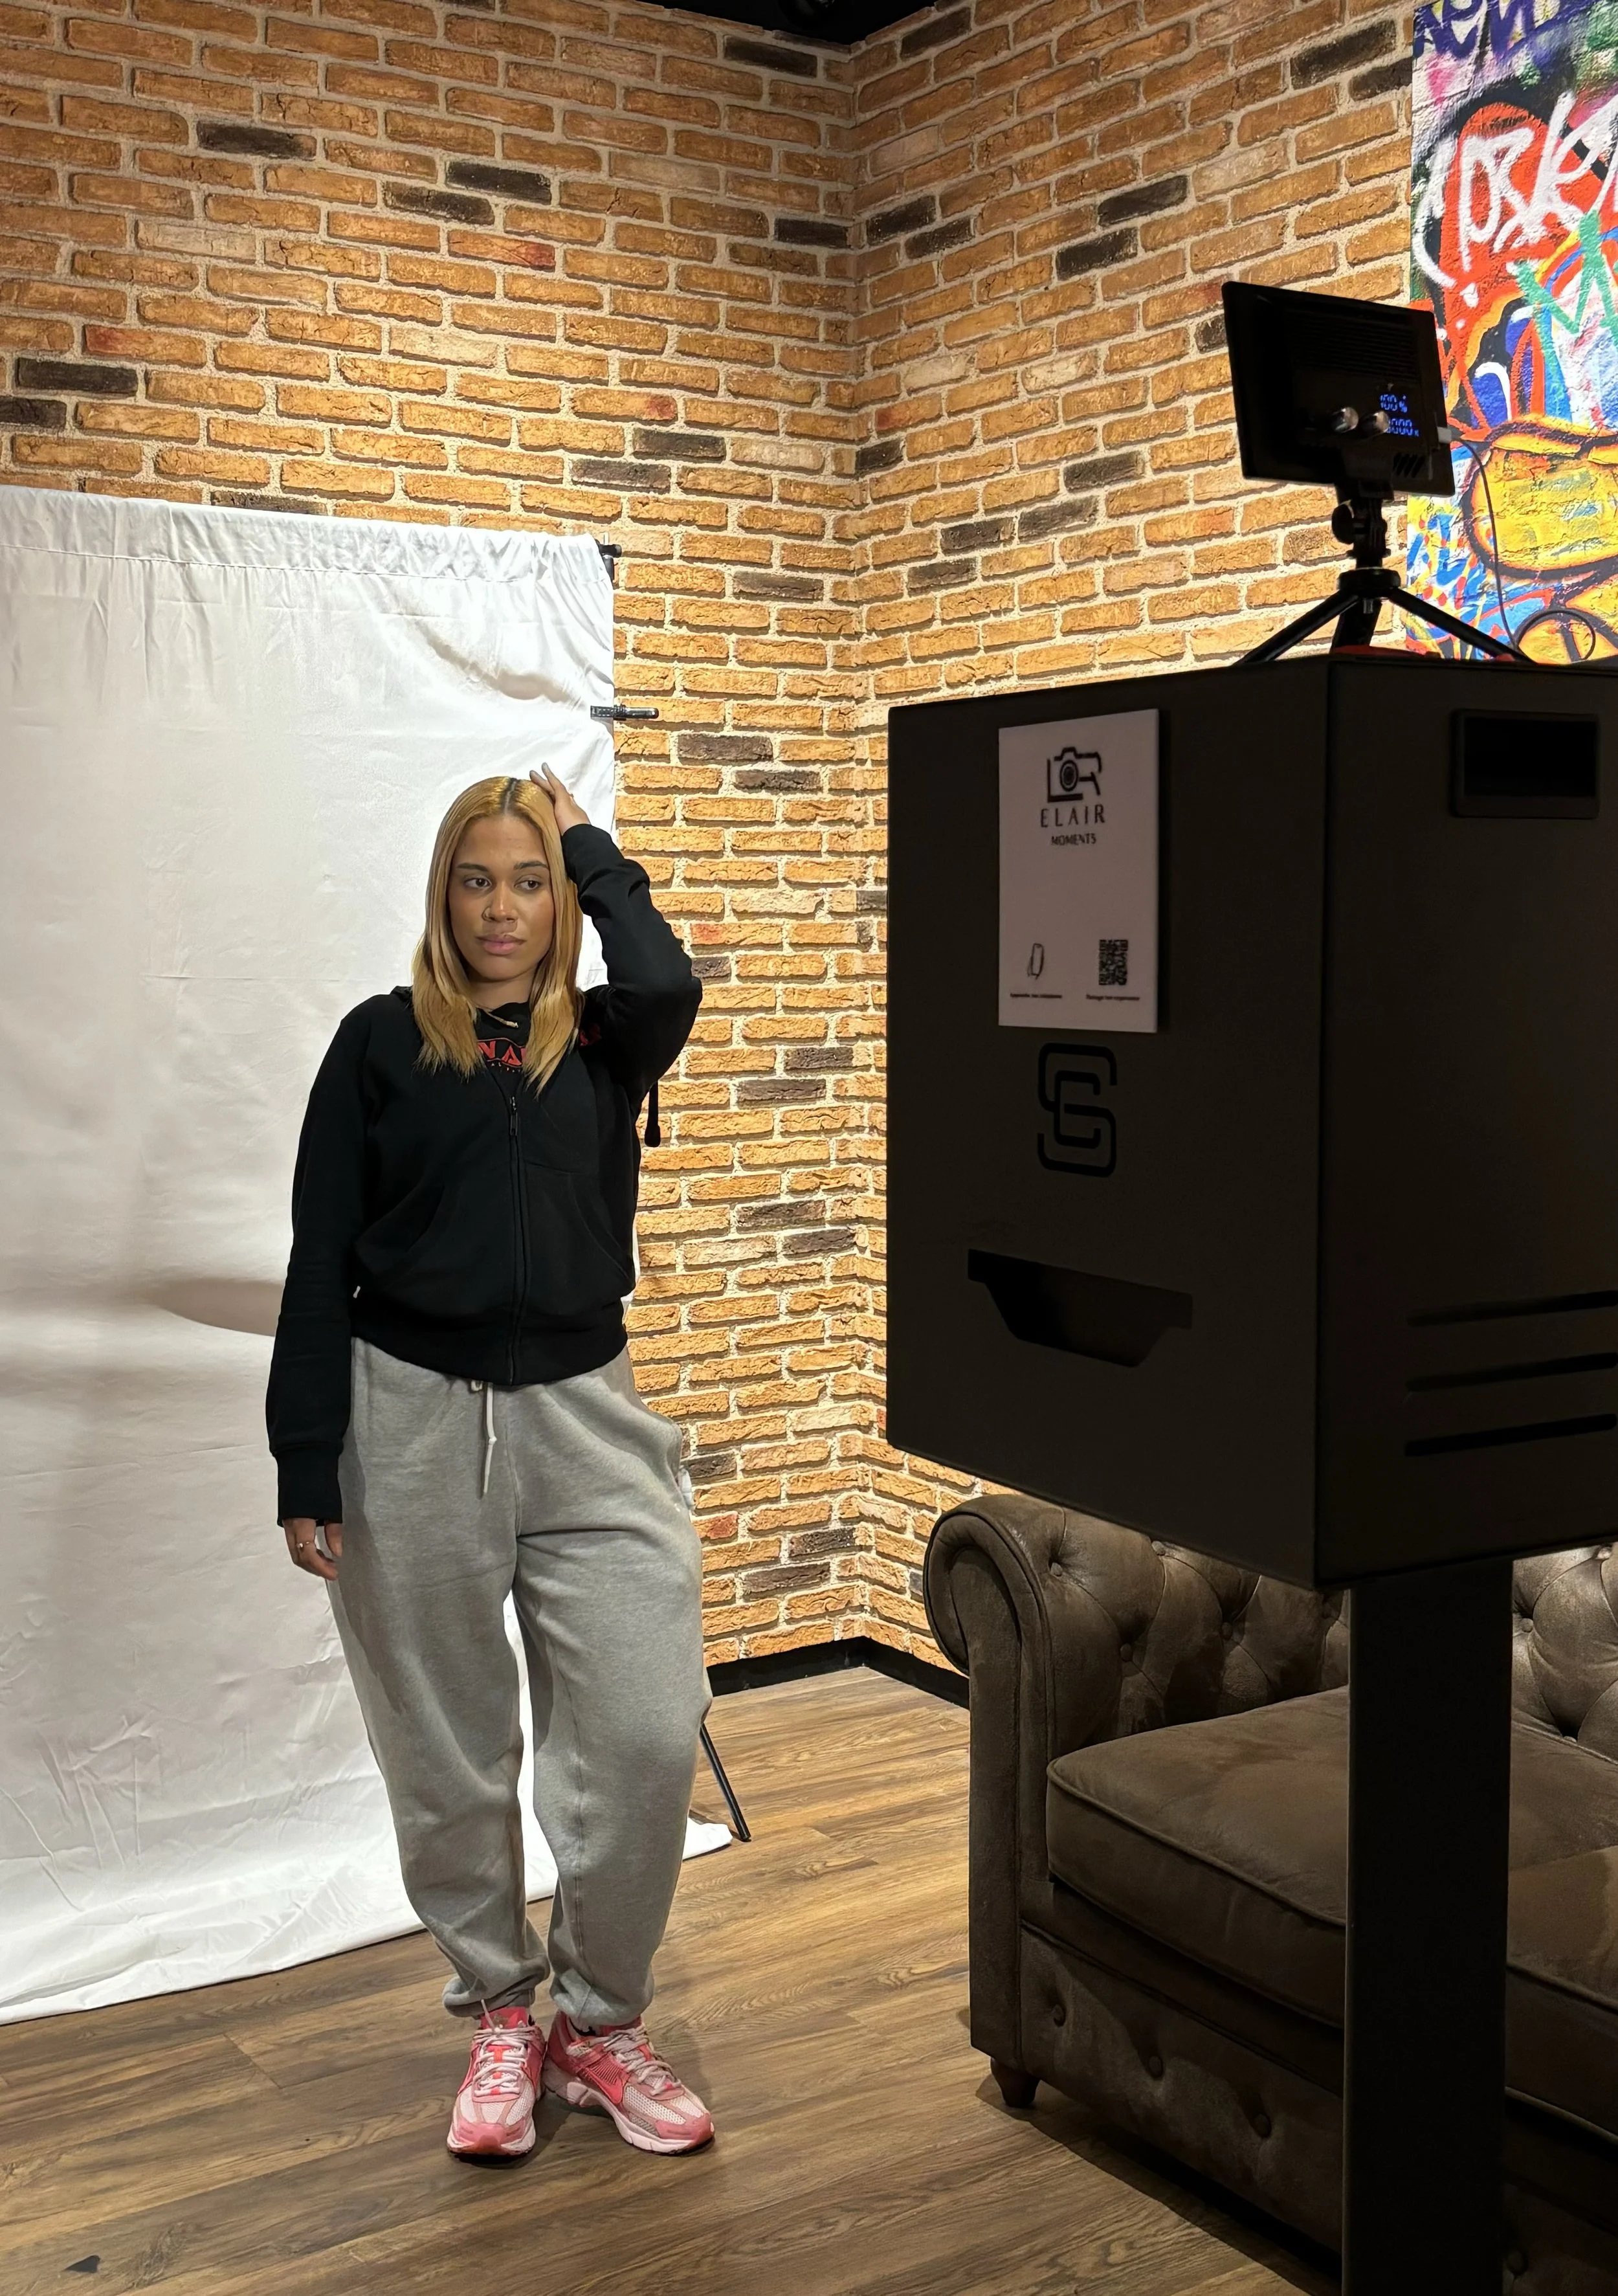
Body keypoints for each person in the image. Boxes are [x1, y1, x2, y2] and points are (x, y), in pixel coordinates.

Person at [267, 767, 713, 2162]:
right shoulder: (379, 1044)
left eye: (530, 881)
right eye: (479, 879)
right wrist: (304, 1457)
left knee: (646, 1729)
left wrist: (590, 847)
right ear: (442, 895)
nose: (503, 907)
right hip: (405, 1418)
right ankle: (505, 2014)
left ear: (560, 898)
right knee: (446, 1747)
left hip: (586, 1415)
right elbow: (319, 1254)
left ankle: (601, 2018)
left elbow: (664, 971)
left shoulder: (609, 1042)